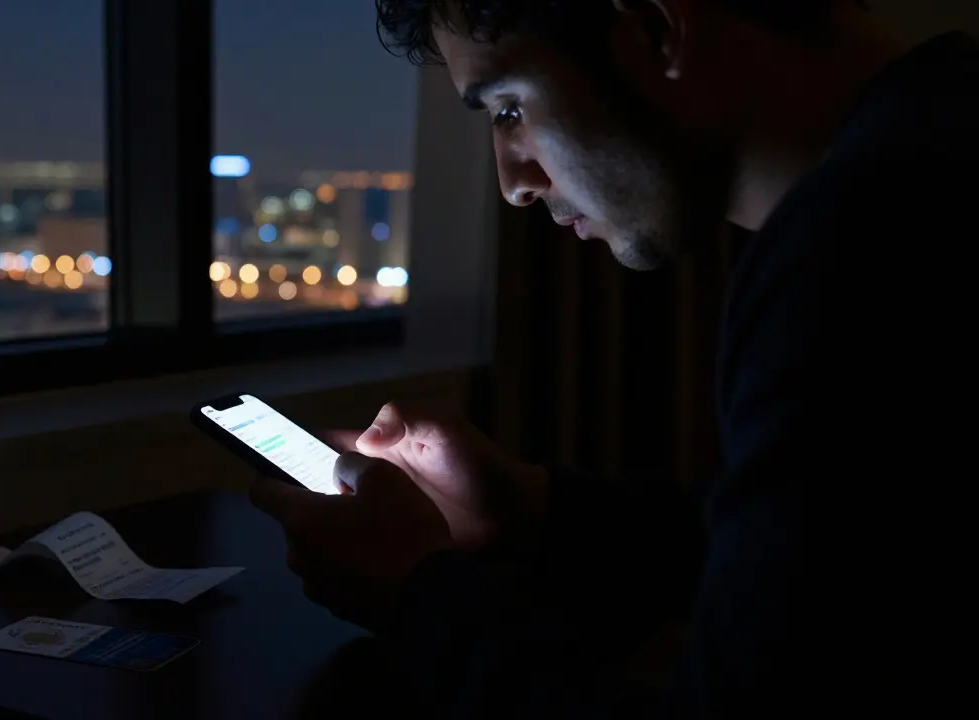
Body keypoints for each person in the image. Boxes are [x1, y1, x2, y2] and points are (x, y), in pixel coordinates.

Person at [250, 1, 977, 716]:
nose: (513, 184)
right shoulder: (935, 140)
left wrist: (415, 594)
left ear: (657, 29)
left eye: (509, 109)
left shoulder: (857, 248)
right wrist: (530, 505)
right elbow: (829, 572)